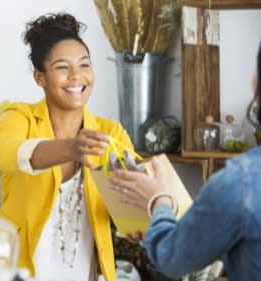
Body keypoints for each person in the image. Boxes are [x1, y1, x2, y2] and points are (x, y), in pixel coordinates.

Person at [0, 13, 133, 281]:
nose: (77, 76)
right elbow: (8, 154)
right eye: (61, 67)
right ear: (39, 77)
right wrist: (70, 149)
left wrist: (152, 198)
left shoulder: (110, 133)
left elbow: (133, 209)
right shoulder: (19, 117)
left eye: (84, 65)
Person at [108, 43, 261, 280]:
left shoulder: (239, 183)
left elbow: (173, 258)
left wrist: (158, 200)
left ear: (255, 82)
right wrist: (157, 225)